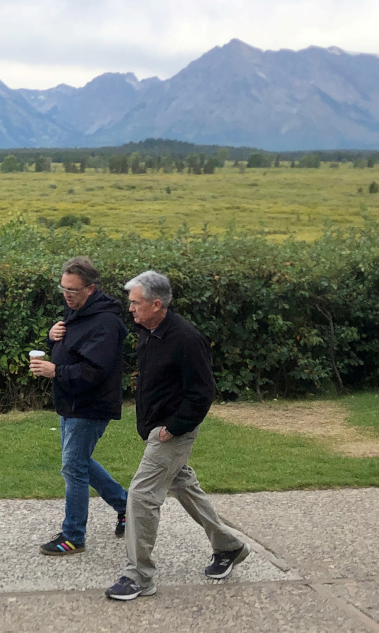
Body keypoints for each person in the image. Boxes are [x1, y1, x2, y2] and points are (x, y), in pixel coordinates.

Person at [105, 270, 250, 601]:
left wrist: (173, 428)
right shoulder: (148, 330)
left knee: (141, 496)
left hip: (172, 432)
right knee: (184, 485)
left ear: (157, 304)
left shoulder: (185, 338)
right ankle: (229, 548)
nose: (130, 310)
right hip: (157, 428)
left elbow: (202, 392)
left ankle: (139, 576)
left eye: (135, 303)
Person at [30, 256, 128, 556]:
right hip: (70, 402)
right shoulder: (77, 312)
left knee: (73, 467)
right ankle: (127, 507)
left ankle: (73, 536)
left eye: (72, 290)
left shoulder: (106, 322)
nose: (66, 295)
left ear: (91, 288)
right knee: (80, 463)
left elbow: (94, 371)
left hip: (90, 405)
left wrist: (54, 371)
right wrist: (53, 337)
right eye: (63, 289)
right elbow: (70, 347)